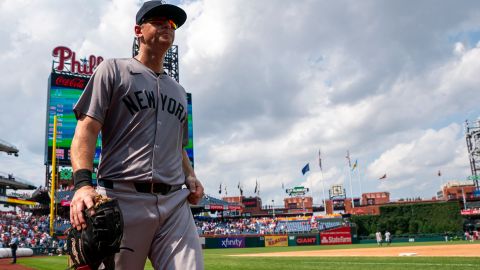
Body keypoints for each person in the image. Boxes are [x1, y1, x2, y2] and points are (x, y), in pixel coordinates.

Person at [69, 1, 204, 269]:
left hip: (174, 203)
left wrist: (190, 175)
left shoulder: (178, 91)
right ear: (138, 30)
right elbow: (86, 129)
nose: (168, 25)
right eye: (158, 20)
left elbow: (177, 146)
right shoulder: (113, 70)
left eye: (172, 23)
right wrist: (83, 184)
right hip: (123, 200)